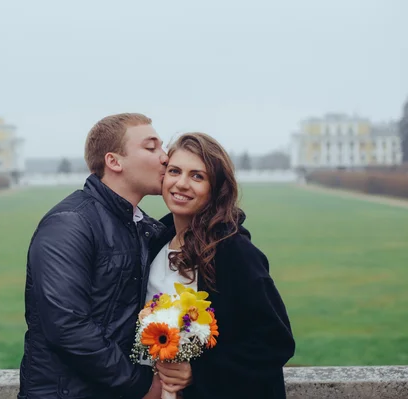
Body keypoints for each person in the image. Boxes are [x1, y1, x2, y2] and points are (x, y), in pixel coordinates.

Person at [18, 113, 192, 399]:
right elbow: (68, 327)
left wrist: (215, 205)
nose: (165, 158)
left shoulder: (139, 226)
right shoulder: (70, 223)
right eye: (151, 148)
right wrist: (141, 385)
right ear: (114, 161)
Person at [146, 132, 295, 398]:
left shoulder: (234, 252)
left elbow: (275, 342)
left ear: (216, 188)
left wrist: (198, 371)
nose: (181, 184)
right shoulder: (154, 242)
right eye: (174, 171)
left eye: (197, 176)